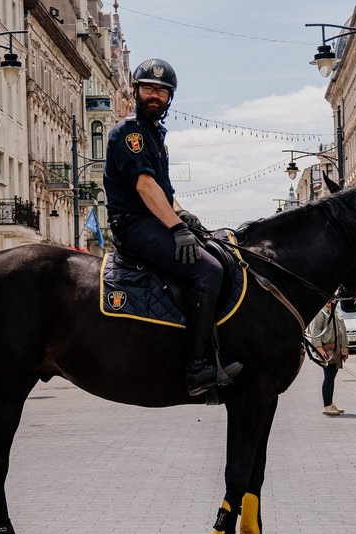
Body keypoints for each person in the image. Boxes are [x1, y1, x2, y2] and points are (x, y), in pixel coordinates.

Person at [104, 57, 240, 396]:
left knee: (218, 251)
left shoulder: (155, 136)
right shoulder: (130, 133)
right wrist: (177, 229)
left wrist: (185, 216)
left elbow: (165, 194)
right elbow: (145, 186)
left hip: (156, 220)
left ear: (169, 98)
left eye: (162, 91)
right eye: (149, 88)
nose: (155, 95)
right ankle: (196, 368)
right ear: (135, 90)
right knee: (208, 271)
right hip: (134, 225)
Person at [307, 300, 349, 416]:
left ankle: (330, 403)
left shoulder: (337, 312)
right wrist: (319, 349)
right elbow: (315, 331)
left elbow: (343, 331)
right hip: (327, 350)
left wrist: (345, 348)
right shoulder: (321, 313)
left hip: (337, 350)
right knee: (328, 376)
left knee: (332, 377)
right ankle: (326, 405)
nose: (330, 301)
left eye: (332, 299)